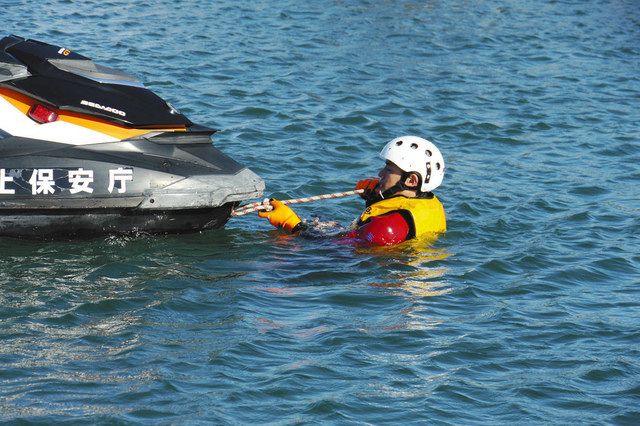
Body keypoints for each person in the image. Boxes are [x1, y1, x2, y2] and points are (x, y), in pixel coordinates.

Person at [258, 136, 446, 246]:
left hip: (363, 266)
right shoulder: (428, 203)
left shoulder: (387, 226)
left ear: (411, 180)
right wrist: (375, 198)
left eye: (388, 169)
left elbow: (334, 251)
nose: (380, 173)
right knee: (319, 219)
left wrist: (293, 225)